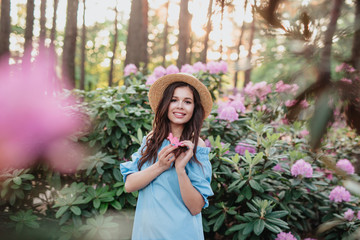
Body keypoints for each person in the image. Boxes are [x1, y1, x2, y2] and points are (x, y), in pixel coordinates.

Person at [120, 73, 214, 240]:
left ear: (194, 109)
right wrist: (160, 166)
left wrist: (180, 170)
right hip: (147, 234)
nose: (180, 106)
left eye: (187, 102)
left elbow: (196, 207)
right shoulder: (151, 139)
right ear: (165, 104)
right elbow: (130, 185)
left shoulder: (196, 146)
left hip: (182, 233)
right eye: (173, 99)